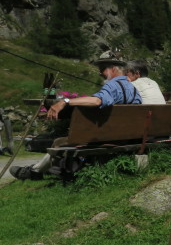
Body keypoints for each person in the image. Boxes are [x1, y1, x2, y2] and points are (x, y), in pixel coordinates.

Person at [10, 52, 142, 180]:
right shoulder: (133, 89)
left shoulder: (112, 86)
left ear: (113, 68)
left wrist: (65, 101)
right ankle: (46, 168)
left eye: (102, 69)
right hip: (126, 137)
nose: (100, 73)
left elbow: (97, 101)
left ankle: (35, 172)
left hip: (106, 138)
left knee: (59, 142)